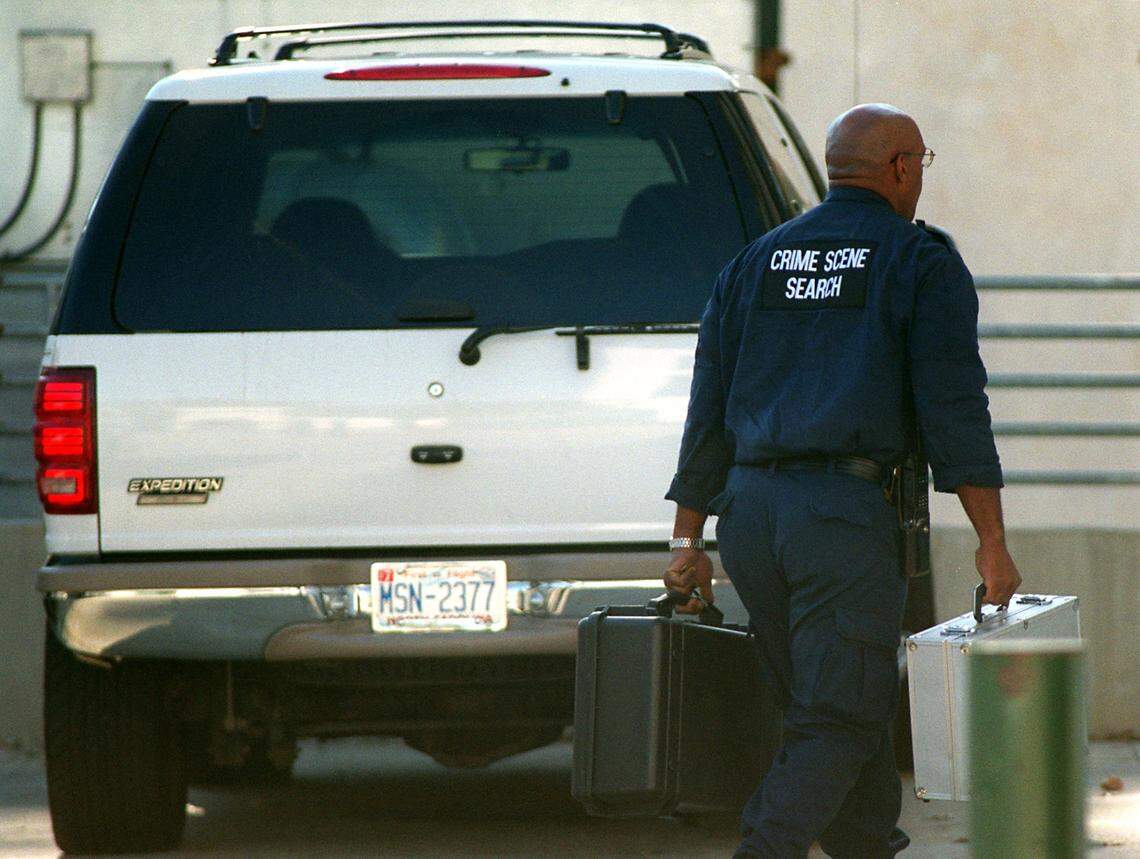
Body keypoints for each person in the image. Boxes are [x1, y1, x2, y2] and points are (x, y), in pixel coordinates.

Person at [662, 103, 1022, 858]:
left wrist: (687, 538)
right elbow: (955, 408)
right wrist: (993, 542)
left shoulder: (753, 262)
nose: (921, 177)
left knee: (821, 706)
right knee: (844, 714)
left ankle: (867, 846)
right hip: (842, 520)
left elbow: (709, 410)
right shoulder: (917, 260)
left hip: (751, 518)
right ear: (899, 168)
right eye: (922, 162)